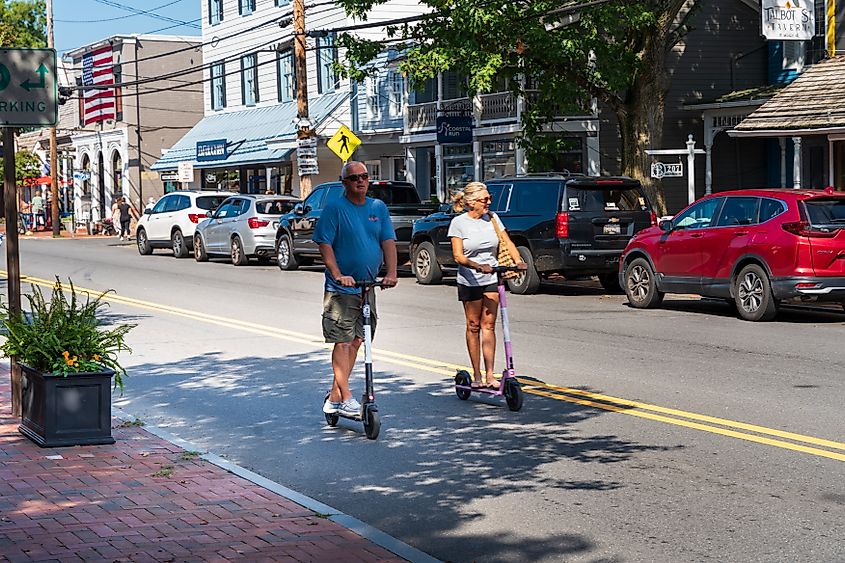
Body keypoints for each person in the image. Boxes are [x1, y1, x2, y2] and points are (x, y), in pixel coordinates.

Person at [313, 161, 398, 418]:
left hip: (367, 286)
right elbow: (324, 244)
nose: (360, 181)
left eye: (364, 177)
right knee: (343, 341)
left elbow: (388, 241)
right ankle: (347, 396)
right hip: (341, 289)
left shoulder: (377, 208)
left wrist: (391, 273)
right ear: (345, 183)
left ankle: (335, 398)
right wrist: (338, 274)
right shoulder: (335, 209)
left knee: (360, 339)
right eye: (354, 178)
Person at [448, 181, 524, 389]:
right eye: (485, 199)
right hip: (470, 279)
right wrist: (477, 266)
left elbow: (507, 242)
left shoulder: (492, 218)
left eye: (489, 198)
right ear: (471, 202)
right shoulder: (459, 223)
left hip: (492, 277)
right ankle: (477, 375)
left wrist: (518, 261)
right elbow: (458, 256)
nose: (489, 202)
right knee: (473, 325)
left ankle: (491, 375)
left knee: (488, 325)